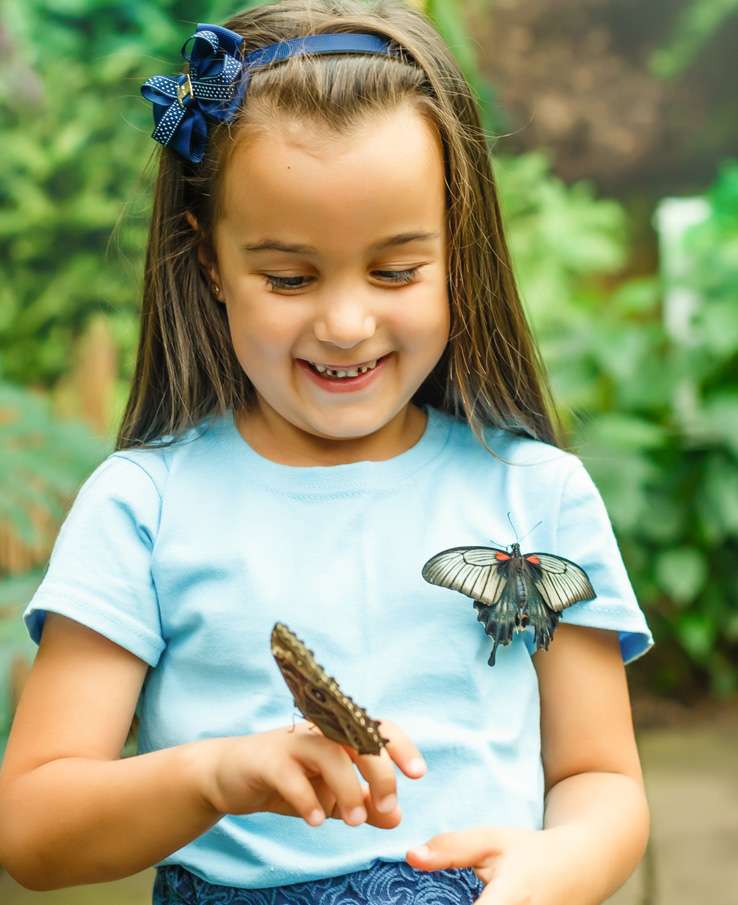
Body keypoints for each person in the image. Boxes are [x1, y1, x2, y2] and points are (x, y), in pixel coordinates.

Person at [0, 1, 655, 902]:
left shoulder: (536, 494)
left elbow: (602, 779)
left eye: (395, 271)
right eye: (289, 277)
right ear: (209, 265)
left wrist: (557, 868)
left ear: (459, 254)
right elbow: (33, 828)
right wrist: (214, 775)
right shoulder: (143, 507)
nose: (346, 323)